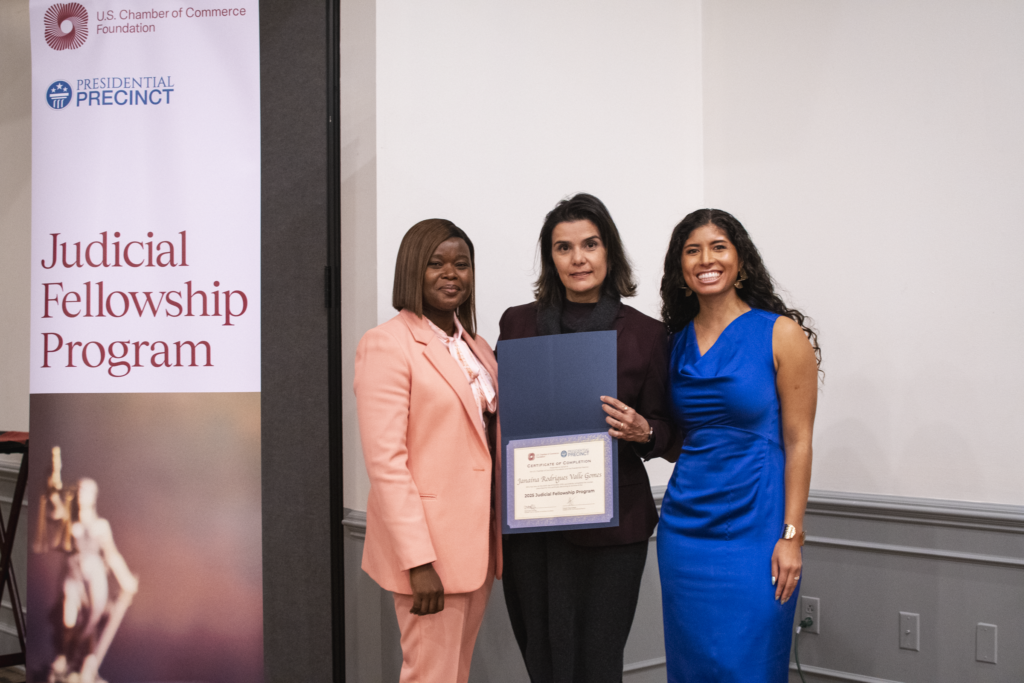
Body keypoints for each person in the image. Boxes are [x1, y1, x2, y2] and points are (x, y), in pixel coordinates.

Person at [499, 193, 680, 683]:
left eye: (590, 244)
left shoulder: (646, 334)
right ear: (550, 257)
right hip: (533, 525)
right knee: (542, 659)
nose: (577, 258)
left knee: (598, 663)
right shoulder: (517, 323)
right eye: (563, 248)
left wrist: (644, 430)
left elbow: (672, 434)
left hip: (612, 529)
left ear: (609, 252)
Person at [656, 209, 820, 682]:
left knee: (749, 666)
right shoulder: (675, 342)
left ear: (740, 260)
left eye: (718, 246)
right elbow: (672, 433)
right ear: (681, 268)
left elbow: (799, 440)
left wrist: (792, 535)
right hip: (685, 531)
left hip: (759, 529)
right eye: (692, 250)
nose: (706, 259)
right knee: (692, 667)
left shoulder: (780, 333)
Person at [354, 219, 501, 683]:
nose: (450, 273)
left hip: (477, 547)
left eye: (461, 263)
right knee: (430, 677)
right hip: (430, 554)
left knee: (453, 673)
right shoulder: (387, 344)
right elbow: (387, 465)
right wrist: (418, 562)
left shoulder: (477, 348)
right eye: (436, 263)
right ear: (412, 270)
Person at [49, 477, 139, 683]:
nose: (82, 494)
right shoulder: (70, 523)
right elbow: (55, 510)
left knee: (92, 619)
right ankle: (65, 657)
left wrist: (125, 580)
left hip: (94, 576)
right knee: (69, 618)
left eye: (87, 491)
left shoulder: (101, 525)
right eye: (80, 490)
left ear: (94, 496)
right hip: (74, 576)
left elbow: (112, 554)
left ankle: (85, 665)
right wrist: (53, 492)